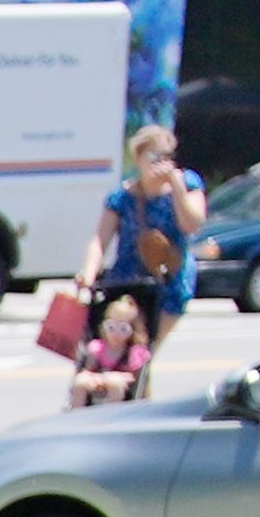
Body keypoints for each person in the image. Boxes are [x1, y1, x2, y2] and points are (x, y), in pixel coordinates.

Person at [76, 124, 205, 354]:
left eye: (167, 156)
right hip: (128, 281)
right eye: (154, 156)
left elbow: (192, 224)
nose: (161, 163)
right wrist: (88, 272)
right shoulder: (121, 197)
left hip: (168, 281)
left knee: (146, 351)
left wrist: (176, 186)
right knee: (117, 351)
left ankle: (141, 385)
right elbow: (100, 239)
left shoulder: (187, 184)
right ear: (138, 158)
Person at [67, 291, 154, 405]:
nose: (116, 334)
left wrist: (113, 377)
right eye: (111, 327)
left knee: (114, 382)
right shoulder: (97, 347)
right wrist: (96, 377)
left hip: (120, 381)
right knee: (80, 381)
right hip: (97, 378)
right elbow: (89, 369)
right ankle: (77, 414)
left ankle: (112, 415)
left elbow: (134, 377)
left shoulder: (133, 352)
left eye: (123, 329)